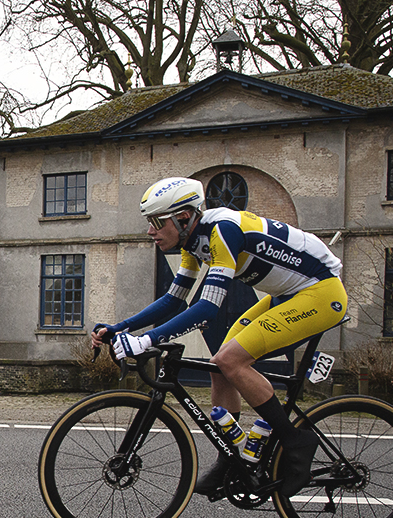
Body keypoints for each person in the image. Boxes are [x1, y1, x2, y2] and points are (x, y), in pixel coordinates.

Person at [92, 176, 348, 498]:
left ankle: (297, 442)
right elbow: (174, 300)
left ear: (183, 218)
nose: (150, 231)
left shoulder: (222, 230)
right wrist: (122, 328)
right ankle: (231, 459)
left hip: (320, 293)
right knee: (219, 366)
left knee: (232, 360)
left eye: (156, 222)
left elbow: (208, 307)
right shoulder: (192, 244)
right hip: (288, 295)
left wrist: (147, 341)